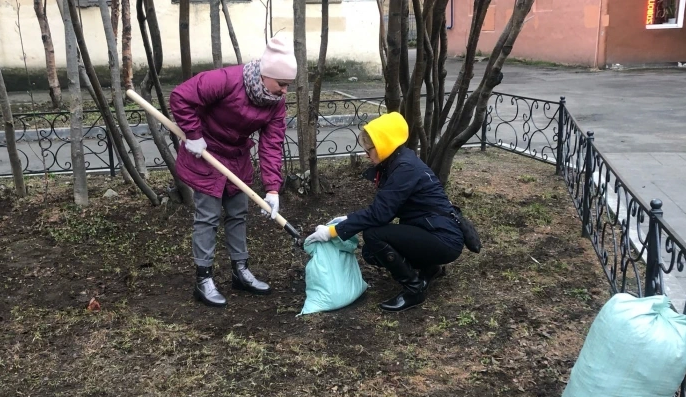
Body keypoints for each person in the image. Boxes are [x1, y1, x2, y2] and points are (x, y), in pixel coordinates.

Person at [169, 36, 296, 308]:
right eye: (281, 84)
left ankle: (241, 271)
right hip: (205, 153)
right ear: (265, 75)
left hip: (237, 158)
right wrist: (193, 134)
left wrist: (272, 188)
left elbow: (272, 144)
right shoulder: (226, 80)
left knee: (238, 213)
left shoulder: (275, 103)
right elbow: (181, 97)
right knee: (208, 216)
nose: (285, 91)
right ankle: (203, 279)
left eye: (288, 86)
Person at [304, 112, 464, 312]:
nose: (366, 154)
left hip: (444, 238)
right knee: (371, 253)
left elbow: (379, 214)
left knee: (373, 235)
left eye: (369, 149)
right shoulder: (397, 162)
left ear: (383, 145)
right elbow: (385, 208)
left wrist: (333, 231)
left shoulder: (404, 168)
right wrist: (348, 220)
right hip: (431, 230)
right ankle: (429, 268)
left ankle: (414, 289)